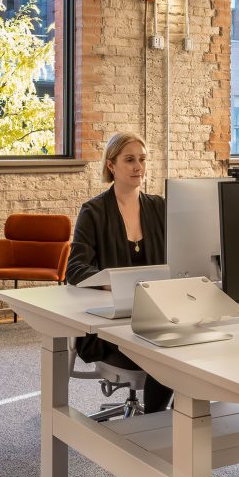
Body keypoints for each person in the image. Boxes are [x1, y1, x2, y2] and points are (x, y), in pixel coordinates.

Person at [66, 132, 173, 414]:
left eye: (142, 159)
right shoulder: (94, 211)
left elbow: (180, 258)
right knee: (164, 355)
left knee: (184, 348)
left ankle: (161, 423)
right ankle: (153, 422)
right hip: (112, 323)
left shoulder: (159, 207)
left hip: (156, 315)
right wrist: (113, 284)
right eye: (129, 160)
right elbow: (75, 269)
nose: (138, 166)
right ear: (111, 165)